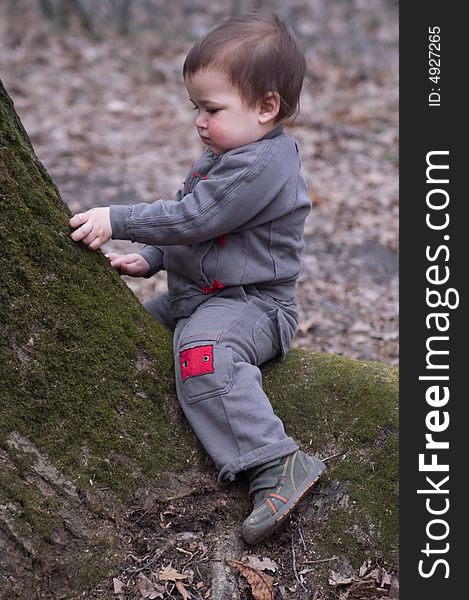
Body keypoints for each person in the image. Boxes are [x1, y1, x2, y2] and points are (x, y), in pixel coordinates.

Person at [69, 11, 326, 545]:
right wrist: (156, 257)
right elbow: (198, 222)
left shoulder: (261, 165)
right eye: (196, 108)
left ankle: (275, 462)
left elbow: (197, 217)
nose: (199, 121)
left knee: (201, 355)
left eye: (211, 108)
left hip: (253, 306)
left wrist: (120, 220)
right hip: (198, 294)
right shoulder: (229, 151)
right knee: (123, 335)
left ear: (266, 108)